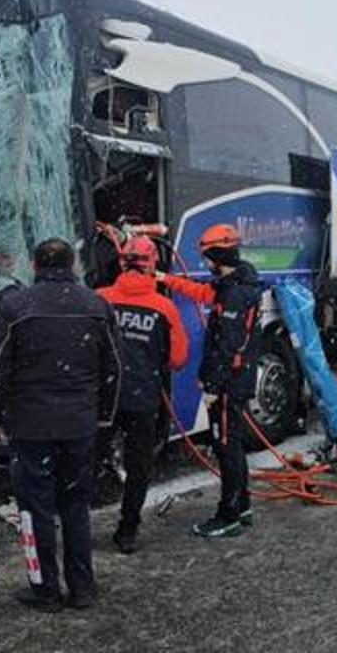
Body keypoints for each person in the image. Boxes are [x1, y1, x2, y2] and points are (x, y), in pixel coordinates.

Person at [0, 238, 122, 612]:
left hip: (30, 427)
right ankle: (83, 587)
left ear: (35, 267)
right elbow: (115, 369)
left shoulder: (15, 306)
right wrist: (104, 413)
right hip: (79, 425)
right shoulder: (96, 305)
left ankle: (45, 590)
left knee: (34, 509)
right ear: (73, 265)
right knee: (76, 504)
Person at [156, 223, 262, 539]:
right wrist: (165, 279)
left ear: (217, 254)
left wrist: (212, 387)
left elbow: (228, 346)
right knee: (233, 445)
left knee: (226, 447)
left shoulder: (233, 294)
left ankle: (228, 516)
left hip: (228, 385)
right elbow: (201, 292)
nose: (204, 262)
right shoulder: (236, 282)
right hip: (236, 381)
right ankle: (242, 507)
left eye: (206, 256)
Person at [95, 236, 188, 554]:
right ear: (152, 266)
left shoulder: (99, 299)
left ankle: (76, 525)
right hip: (144, 399)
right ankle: (127, 531)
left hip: (104, 399)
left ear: (121, 263)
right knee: (139, 467)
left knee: (87, 462)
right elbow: (177, 359)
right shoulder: (164, 307)